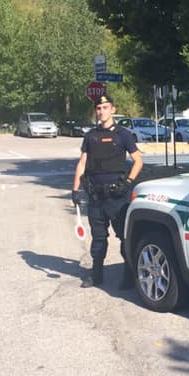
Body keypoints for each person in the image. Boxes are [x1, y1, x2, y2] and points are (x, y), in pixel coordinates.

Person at [72, 95, 143, 289]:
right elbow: (82, 163)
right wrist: (75, 189)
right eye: (98, 108)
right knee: (98, 238)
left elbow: (138, 161)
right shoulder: (90, 136)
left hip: (117, 196)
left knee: (124, 237)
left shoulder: (123, 135)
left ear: (112, 109)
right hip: (96, 197)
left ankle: (129, 274)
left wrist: (128, 182)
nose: (101, 111)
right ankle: (96, 275)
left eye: (105, 107)